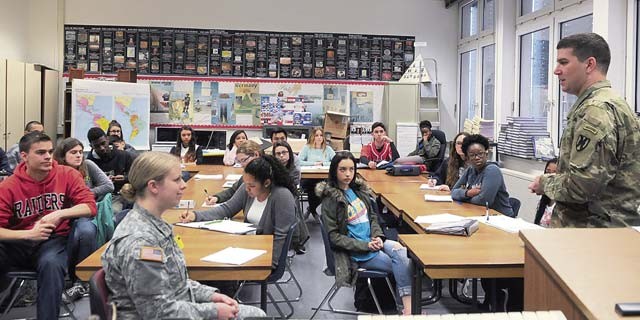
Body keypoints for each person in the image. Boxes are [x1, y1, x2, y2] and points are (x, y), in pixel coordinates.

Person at [102, 151, 265, 319]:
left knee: (255, 314)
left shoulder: (155, 224)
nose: (184, 185)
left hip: (177, 306)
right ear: (153, 186)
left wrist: (211, 295)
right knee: (256, 316)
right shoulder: (141, 242)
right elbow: (158, 313)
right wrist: (214, 311)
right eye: (176, 180)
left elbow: (176, 282)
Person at [528, 33, 640, 228]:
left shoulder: (595, 110)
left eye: (563, 62)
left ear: (589, 65)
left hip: (592, 236)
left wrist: (545, 183)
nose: (556, 71)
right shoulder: (609, 102)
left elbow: (582, 187)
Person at [0, 132, 97, 320]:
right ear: (24, 156)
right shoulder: (8, 186)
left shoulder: (67, 174)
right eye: (41, 152)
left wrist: (59, 213)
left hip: (51, 241)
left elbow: (89, 206)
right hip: (17, 243)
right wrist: (28, 235)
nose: (48, 157)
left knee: (51, 264)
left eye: (50, 151)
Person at [316, 151, 413, 315]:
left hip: (372, 242)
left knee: (402, 253)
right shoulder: (331, 199)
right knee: (404, 266)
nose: (348, 174)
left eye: (351, 169)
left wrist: (378, 236)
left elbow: (373, 217)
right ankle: (407, 310)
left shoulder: (357, 191)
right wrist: (366, 245)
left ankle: (407, 310)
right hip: (358, 252)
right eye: (342, 170)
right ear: (334, 171)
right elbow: (334, 237)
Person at [181, 155, 297, 268]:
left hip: (264, 255)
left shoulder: (282, 196)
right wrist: (195, 215)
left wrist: (268, 266)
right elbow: (226, 209)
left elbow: (281, 236)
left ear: (266, 183)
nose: (247, 189)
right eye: (246, 184)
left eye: (251, 185)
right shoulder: (247, 189)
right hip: (247, 246)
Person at [53, 137, 115, 300]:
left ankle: (82, 280)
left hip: (83, 213)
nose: (78, 156)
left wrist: (86, 194)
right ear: (63, 155)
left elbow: (109, 185)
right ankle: (68, 276)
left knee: (86, 231)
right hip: (60, 214)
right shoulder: (56, 170)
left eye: (80, 152)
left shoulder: (88, 166)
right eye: (73, 153)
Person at [451, 134, 514, 217]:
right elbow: (453, 192)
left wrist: (463, 198)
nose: (477, 157)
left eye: (480, 153)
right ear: (467, 157)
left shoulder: (492, 170)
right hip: (480, 214)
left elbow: (484, 201)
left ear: (486, 154)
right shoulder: (470, 170)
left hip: (501, 218)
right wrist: (468, 193)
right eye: (472, 155)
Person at [87, 127, 135, 213]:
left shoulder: (124, 156)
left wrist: (125, 178)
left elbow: (136, 177)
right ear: (91, 146)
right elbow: (88, 185)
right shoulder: (89, 163)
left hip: (121, 195)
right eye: (97, 146)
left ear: (107, 139)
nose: (102, 148)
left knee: (115, 211)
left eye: (103, 143)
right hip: (99, 198)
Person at [205, 140, 263, 205]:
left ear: (256, 154)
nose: (242, 165)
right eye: (239, 161)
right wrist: (217, 198)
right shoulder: (248, 174)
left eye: (244, 160)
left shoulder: (266, 174)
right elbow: (233, 190)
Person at [299, 127, 336, 218]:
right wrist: (314, 163)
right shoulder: (307, 148)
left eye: (321, 135)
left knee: (324, 187)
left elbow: (336, 161)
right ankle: (313, 210)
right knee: (312, 186)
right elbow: (299, 161)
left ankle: (311, 209)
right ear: (312, 137)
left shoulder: (328, 149)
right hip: (308, 178)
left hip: (324, 177)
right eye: (316, 135)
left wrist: (323, 164)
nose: (319, 137)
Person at [534, 158, 558, 227]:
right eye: (548, 172)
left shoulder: (563, 203)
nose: (549, 176)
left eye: (554, 173)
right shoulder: (544, 196)